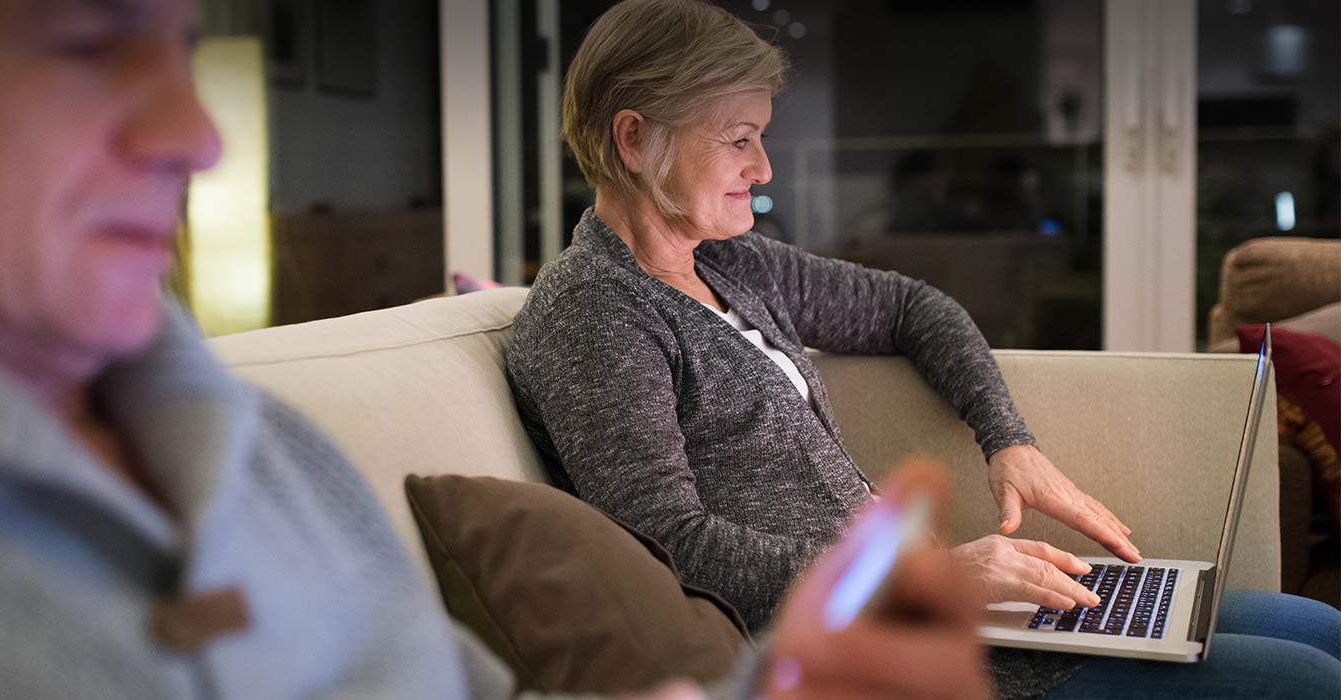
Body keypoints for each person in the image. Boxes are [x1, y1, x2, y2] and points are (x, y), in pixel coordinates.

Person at [0, 1, 995, 698]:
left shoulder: (262, 449)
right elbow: (670, 538)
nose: (196, 137)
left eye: (179, 46)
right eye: (83, 45)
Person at [502, 1, 1341, 698]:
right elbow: (672, 545)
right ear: (633, 139)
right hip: (886, 656)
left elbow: (909, 307)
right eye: (737, 138)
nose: (762, 167)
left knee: (1322, 628)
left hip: (945, 612)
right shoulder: (595, 316)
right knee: (1306, 676)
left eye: (761, 135)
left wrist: (1006, 438)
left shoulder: (727, 260)